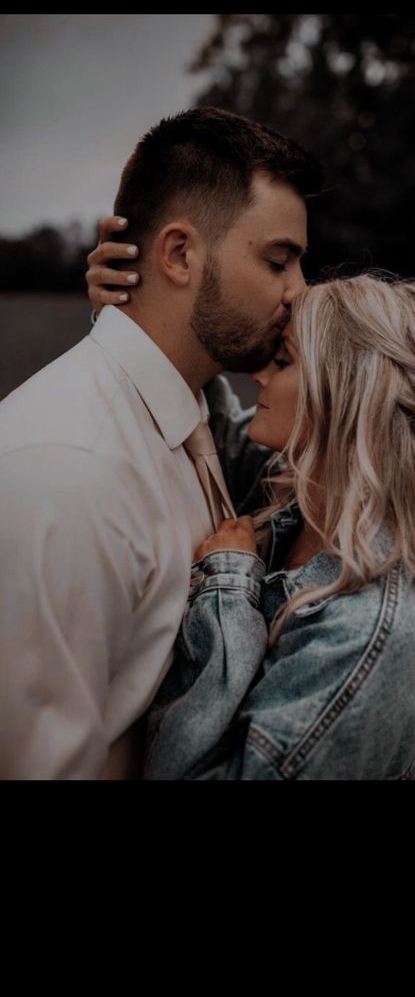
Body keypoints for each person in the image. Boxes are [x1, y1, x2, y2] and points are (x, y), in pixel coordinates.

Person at [87, 252, 415, 779]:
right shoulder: (311, 497)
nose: (259, 375)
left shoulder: (362, 633)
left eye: (285, 360)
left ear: (346, 397)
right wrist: (141, 315)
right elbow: (205, 431)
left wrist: (227, 592)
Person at [0, 106, 322, 780]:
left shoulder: (194, 416)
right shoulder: (66, 471)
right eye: (278, 260)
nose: (299, 292)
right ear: (178, 254)